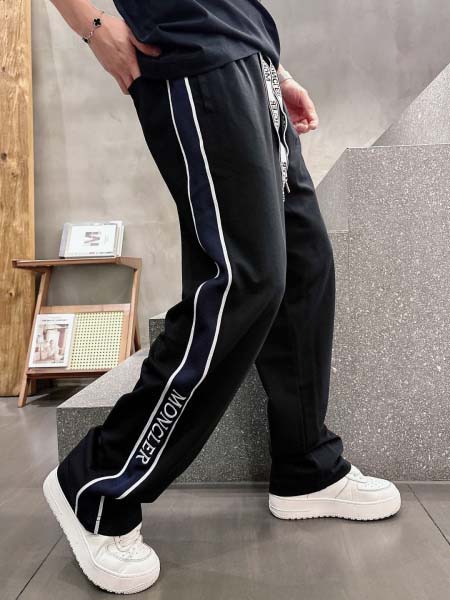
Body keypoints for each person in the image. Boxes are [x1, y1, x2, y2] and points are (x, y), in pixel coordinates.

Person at [43, 0, 401, 594]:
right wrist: (92, 25)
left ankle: (305, 467)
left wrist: (274, 68)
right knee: (241, 279)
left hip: (250, 59)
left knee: (303, 267)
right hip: (189, 52)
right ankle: (99, 484)